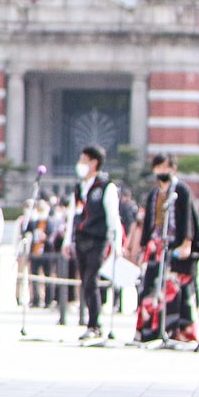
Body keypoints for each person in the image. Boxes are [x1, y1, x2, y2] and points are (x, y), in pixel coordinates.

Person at [132, 153, 199, 343]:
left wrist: (187, 242)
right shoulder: (153, 194)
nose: (161, 171)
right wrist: (144, 246)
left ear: (173, 169)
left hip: (175, 247)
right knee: (149, 289)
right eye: (158, 167)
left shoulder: (182, 190)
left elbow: (188, 217)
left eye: (165, 167)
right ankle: (148, 331)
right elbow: (148, 222)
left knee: (175, 291)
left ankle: (176, 331)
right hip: (156, 246)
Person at [68, 145, 124, 342]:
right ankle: (91, 322)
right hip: (81, 238)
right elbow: (72, 214)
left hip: (97, 239)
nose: (80, 164)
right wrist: (68, 240)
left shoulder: (106, 187)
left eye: (84, 160)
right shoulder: (79, 188)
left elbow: (112, 216)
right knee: (85, 281)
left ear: (94, 162)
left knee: (92, 280)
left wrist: (116, 244)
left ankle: (95, 324)